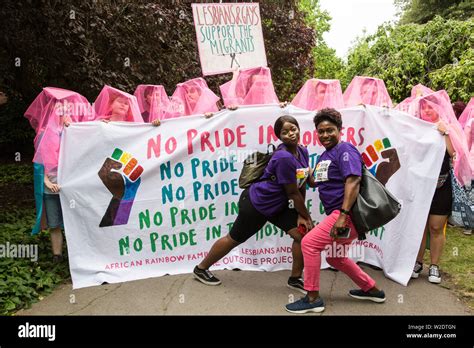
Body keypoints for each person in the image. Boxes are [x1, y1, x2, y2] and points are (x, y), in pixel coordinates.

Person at [193, 115, 314, 292]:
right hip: (257, 204)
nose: (291, 134)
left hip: (278, 205)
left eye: (293, 129)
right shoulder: (283, 158)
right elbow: (293, 192)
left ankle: (295, 279)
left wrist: (301, 216)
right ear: (279, 136)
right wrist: (305, 216)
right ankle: (201, 269)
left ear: (298, 128)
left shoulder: (302, 151)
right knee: (233, 239)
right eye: (285, 132)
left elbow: (301, 183)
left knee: (302, 236)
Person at [285, 108, 386, 314]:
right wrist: (305, 172)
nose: (325, 135)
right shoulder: (325, 155)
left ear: (340, 129)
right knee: (335, 257)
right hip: (340, 215)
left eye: (329, 130)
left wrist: (343, 215)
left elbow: (353, 180)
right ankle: (372, 289)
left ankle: (312, 298)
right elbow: (316, 182)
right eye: (320, 131)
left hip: (346, 214)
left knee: (309, 243)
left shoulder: (345, 150)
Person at [24, 87, 93, 262]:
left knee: (75, 220)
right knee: (54, 223)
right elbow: (39, 163)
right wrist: (46, 181)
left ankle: (78, 256)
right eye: (61, 107)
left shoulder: (76, 131)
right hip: (52, 186)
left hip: (71, 186)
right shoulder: (43, 134)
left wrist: (73, 132)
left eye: (68, 108)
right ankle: (57, 255)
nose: (65, 111)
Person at [411, 91, 470, 282]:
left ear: (440, 108)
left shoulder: (448, 127)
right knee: (419, 226)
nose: (427, 110)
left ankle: (434, 266)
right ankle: (417, 262)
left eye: (431, 106)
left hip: (441, 185)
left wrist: (445, 132)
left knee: (436, 227)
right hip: (419, 185)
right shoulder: (414, 127)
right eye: (424, 107)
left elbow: (455, 153)